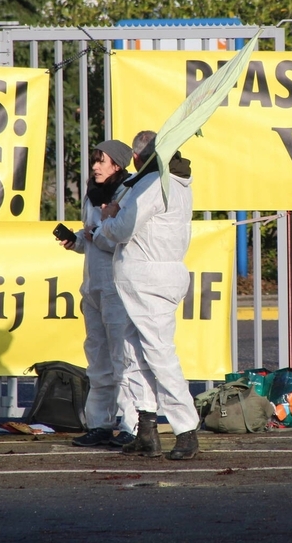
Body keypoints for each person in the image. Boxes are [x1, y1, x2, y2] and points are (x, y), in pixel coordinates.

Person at [97, 130, 200, 460]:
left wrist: (108, 220)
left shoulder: (154, 183)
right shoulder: (169, 182)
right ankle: (147, 429)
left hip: (149, 277)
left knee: (158, 354)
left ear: (141, 158)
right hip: (146, 277)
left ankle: (186, 430)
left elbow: (123, 228)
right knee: (135, 352)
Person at [60, 139, 139, 449]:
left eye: (101, 161)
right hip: (93, 286)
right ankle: (100, 424)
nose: (94, 166)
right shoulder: (94, 196)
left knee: (124, 358)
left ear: (117, 165)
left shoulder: (129, 193)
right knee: (98, 359)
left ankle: (132, 425)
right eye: (94, 160)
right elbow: (91, 236)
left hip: (117, 287)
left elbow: (124, 238)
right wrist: (77, 240)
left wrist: (96, 235)